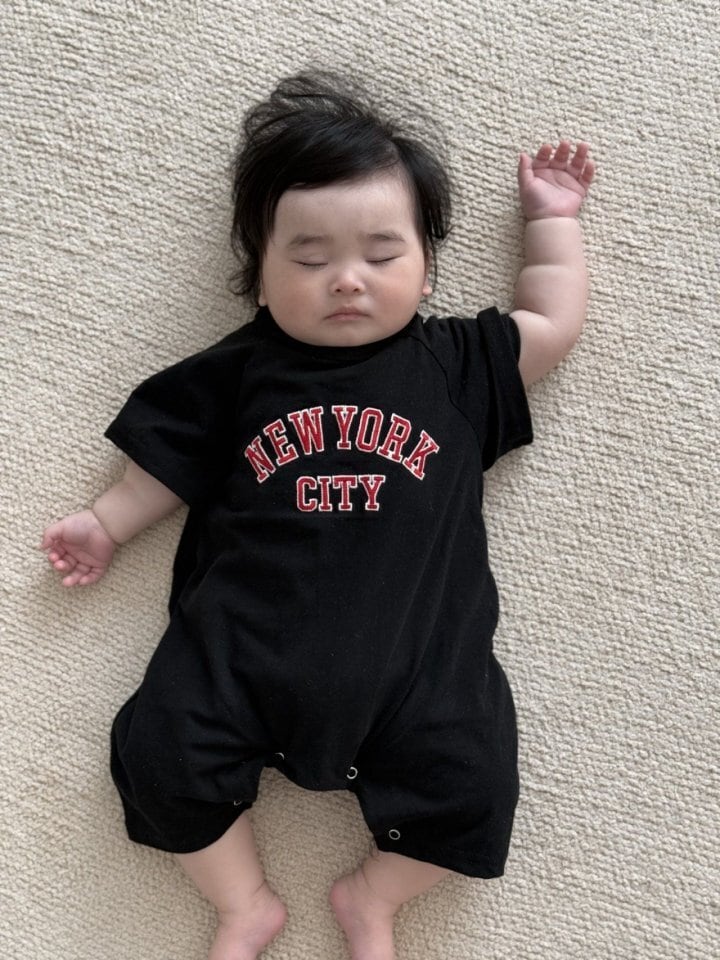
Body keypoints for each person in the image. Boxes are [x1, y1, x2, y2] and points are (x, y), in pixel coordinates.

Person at [41, 71, 594, 960]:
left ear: (426, 266)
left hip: (419, 671)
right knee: (158, 756)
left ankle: (373, 898)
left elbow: (552, 322)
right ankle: (244, 904)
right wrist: (106, 523)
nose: (346, 280)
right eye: (308, 259)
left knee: (473, 788)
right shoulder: (237, 373)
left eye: (382, 255)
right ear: (259, 274)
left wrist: (552, 224)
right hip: (237, 657)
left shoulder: (455, 365)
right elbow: (167, 464)